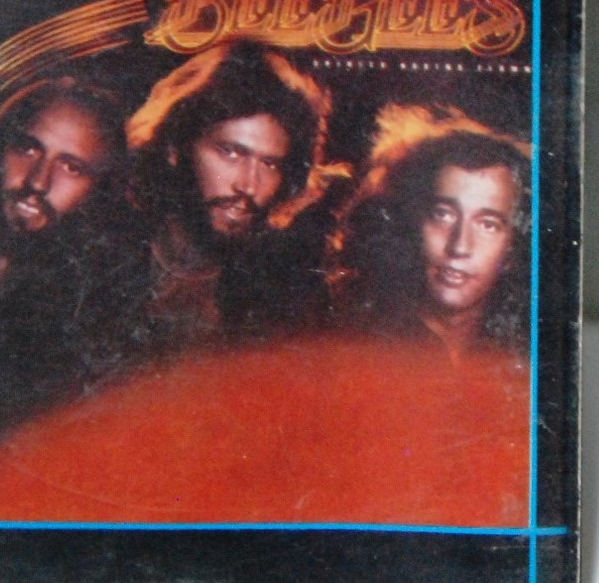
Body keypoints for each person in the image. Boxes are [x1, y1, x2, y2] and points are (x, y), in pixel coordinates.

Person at [127, 41, 340, 349]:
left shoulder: (282, 296)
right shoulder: (111, 257)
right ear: (175, 146)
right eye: (231, 152)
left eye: (270, 164)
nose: (249, 186)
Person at [0, 78, 140, 444]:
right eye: (28, 149)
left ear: (99, 191)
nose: (38, 182)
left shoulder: (86, 317)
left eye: (72, 167)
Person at [337, 107, 531, 355]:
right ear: (411, 220)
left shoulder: (526, 349)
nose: (459, 246)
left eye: (487, 225)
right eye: (444, 215)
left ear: (514, 244)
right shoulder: (350, 340)